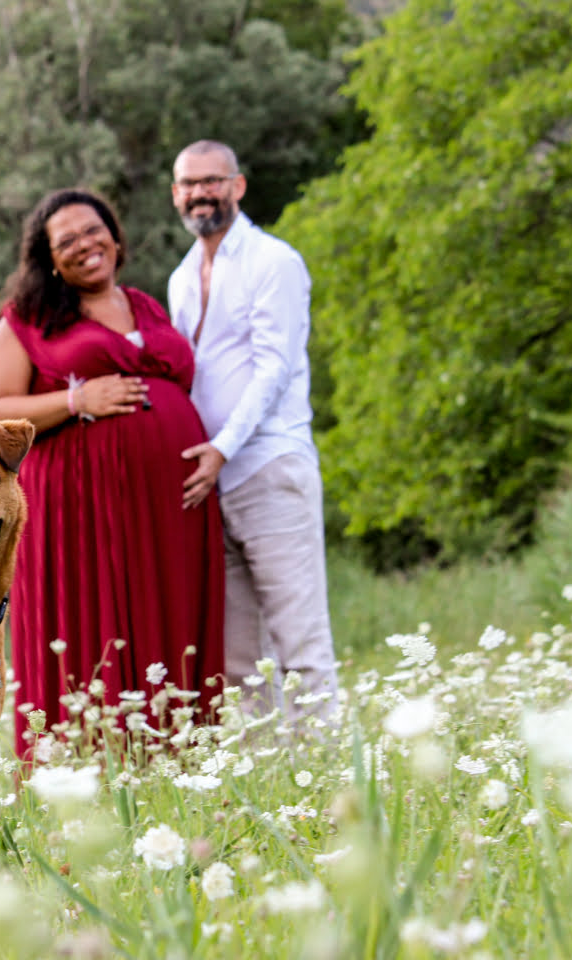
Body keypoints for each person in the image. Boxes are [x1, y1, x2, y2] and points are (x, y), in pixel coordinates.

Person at [0, 187, 225, 755]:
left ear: (115, 236)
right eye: (66, 241)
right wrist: (76, 401)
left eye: (94, 230)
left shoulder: (148, 305)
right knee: (94, 629)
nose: (85, 245)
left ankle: (180, 761)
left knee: (173, 622)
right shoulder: (29, 321)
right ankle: (88, 766)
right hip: (84, 507)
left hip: (173, 507)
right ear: (49, 259)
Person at [168, 140, 339, 726]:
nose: (200, 194)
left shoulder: (275, 262)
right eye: (189, 184)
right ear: (175, 195)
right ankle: (270, 788)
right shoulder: (183, 277)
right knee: (239, 660)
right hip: (211, 485)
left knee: (301, 647)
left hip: (269, 467)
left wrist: (221, 447)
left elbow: (274, 369)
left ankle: (333, 786)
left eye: (212, 181)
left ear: (238, 186)